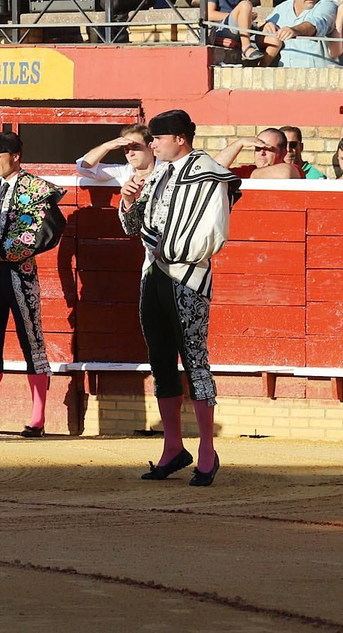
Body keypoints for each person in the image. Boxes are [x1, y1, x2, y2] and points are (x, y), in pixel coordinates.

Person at [119, 109, 240, 486]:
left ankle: (207, 452)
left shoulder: (209, 174)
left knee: (194, 359)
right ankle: (173, 447)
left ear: (180, 138)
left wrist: (168, 250)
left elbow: (213, 233)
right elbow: (132, 229)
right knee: (160, 360)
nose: (151, 145)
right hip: (152, 275)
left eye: (157, 138)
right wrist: (128, 202)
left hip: (189, 276)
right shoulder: (157, 175)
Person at [0, 131, 65, 439]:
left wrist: (8, 250)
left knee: (31, 342)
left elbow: (50, 229)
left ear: (16, 156)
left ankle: (37, 419)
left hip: (21, 273)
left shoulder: (36, 188)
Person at [257, 0, 339, 67]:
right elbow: (258, 38)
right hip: (285, 73)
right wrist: (265, 29)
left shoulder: (328, 5)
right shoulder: (281, 9)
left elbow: (316, 23)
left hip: (319, 74)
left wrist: (294, 31)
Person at [76, 123, 158, 184]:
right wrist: (106, 146)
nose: (131, 154)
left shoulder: (163, 170)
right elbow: (84, 168)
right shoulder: (125, 171)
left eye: (136, 147)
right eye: (126, 149)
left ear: (150, 147)